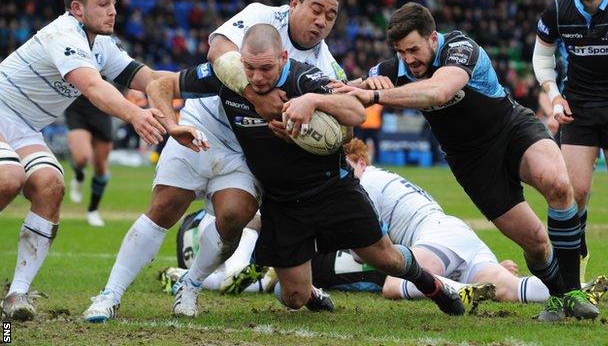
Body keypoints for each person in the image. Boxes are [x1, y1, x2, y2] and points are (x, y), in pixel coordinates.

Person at [147, 23, 465, 318]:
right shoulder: (228, 77)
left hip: (332, 190)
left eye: (267, 68)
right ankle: (310, 291)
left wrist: (312, 101)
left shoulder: (304, 78)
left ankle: (433, 286)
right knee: (294, 297)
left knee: (387, 259)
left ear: (284, 57)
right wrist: (172, 126)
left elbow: (356, 113)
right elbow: (161, 85)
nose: (257, 77)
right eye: (250, 67)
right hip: (283, 204)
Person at [82, 0, 350, 323]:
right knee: (165, 205)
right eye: (316, 9)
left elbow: (347, 123)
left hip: (246, 148)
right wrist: (177, 124)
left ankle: (190, 283)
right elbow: (217, 53)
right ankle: (110, 294)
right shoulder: (260, 16)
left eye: (331, 15)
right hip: (201, 125)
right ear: (295, 4)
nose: (322, 20)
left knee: (236, 216)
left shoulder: (325, 65)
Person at [336, 2, 597, 321]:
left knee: (557, 183)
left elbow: (439, 91)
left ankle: (572, 291)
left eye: (413, 49)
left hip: (510, 129)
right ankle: (559, 297)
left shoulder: (460, 48)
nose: (408, 59)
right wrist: (340, 92)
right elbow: (352, 92)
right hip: (472, 163)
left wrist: (375, 96)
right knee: (537, 243)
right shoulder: (395, 70)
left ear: (433, 39)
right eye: (401, 52)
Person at [0, 0, 204, 321]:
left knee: (50, 186)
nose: (113, 10)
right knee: (9, 177)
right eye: (103, 3)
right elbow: (94, 87)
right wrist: (136, 115)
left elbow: (151, 79)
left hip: (24, 127)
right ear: (77, 8)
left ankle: (15, 296)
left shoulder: (101, 46)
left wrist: (210, 81)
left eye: (114, 2)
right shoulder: (63, 34)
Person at [163, 138, 551, 304]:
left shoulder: (361, 187)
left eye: (343, 165)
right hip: (453, 235)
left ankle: (453, 290)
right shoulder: (374, 181)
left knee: (394, 284)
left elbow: (355, 240)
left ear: (360, 163)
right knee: (508, 288)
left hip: (433, 238)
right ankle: (572, 288)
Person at [533, 0, 608, 297]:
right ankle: (578, 260)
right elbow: (543, 57)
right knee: (576, 191)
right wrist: (555, 95)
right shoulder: (558, 11)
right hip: (578, 107)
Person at [65, 96, 113, 227]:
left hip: (101, 106)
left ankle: (93, 210)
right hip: (76, 107)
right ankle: (79, 176)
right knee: (81, 158)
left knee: (100, 167)